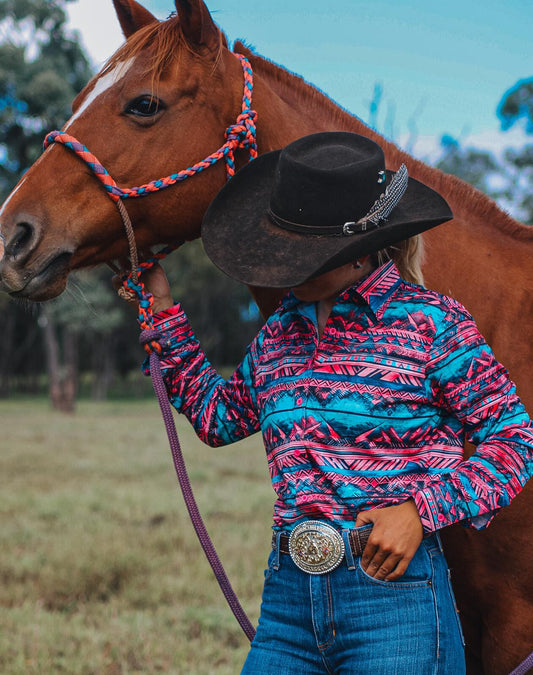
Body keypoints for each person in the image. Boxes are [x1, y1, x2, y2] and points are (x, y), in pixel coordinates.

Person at [119, 132, 532, 674]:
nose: (288, 267)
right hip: (290, 600)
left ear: (361, 249)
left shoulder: (434, 324)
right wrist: (166, 316)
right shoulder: (278, 335)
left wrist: (419, 511)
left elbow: (514, 442)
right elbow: (219, 418)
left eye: (306, 254)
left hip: (396, 603)